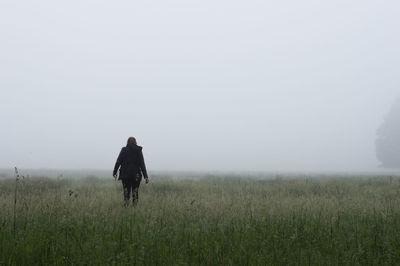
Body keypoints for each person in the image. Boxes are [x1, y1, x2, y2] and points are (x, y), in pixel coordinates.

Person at [113, 137, 149, 206]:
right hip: (136, 175)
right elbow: (142, 164)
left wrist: (115, 172)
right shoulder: (138, 151)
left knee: (126, 193)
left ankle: (126, 208)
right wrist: (146, 177)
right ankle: (134, 209)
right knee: (135, 193)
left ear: (127, 142)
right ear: (135, 142)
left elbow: (118, 161)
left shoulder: (124, 150)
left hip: (125, 175)